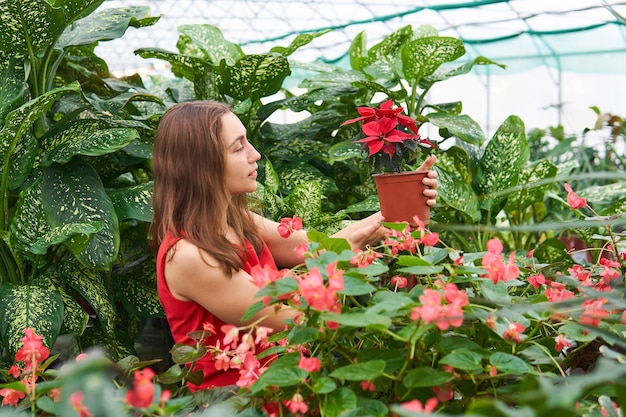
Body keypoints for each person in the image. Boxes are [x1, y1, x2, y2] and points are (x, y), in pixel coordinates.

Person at [150, 100, 438, 391]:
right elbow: (294, 318)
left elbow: (318, 248)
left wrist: (407, 200)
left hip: (284, 393)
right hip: (241, 407)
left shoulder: (235, 219)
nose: (255, 154)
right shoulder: (188, 255)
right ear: (202, 164)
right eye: (238, 147)